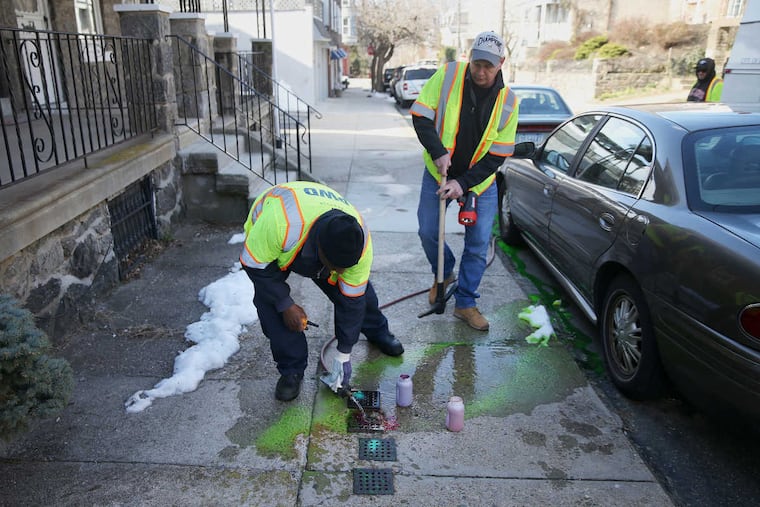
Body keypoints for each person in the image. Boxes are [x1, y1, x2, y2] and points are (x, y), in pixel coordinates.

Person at [239, 181, 404, 401]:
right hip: (271, 248)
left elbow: (353, 300)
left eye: (347, 267)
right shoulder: (280, 225)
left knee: (362, 296)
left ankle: (377, 331)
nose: (341, 272)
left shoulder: (360, 242)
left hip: (312, 232)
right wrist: (285, 303)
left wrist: (344, 354)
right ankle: (292, 370)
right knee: (270, 303)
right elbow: (254, 266)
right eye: (336, 266)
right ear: (320, 252)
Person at [410, 30, 519, 331]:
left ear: (501, 63)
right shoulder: (448, 75)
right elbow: (420, 115)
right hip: (438, 171)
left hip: (480, 182)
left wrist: (463, 184)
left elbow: (498, 155)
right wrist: (436, 152)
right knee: (428, 231)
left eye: (489, 66)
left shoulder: (508, 102)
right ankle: (443, 273)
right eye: (477, 64)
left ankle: (466, 303)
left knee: (478, 243)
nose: (481, 72)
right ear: (469, 58)